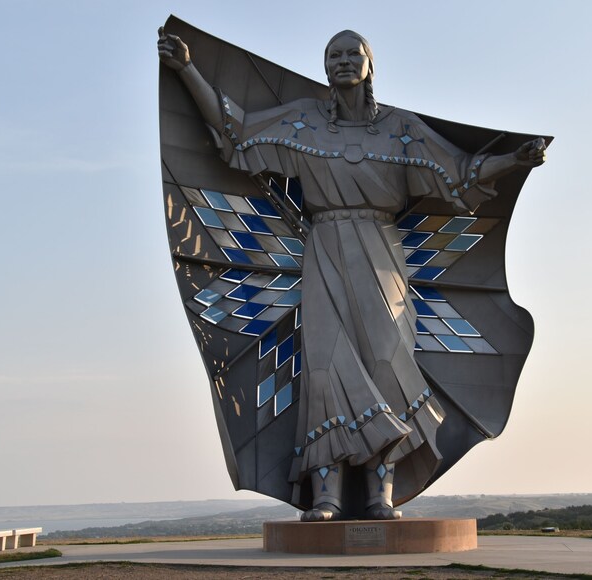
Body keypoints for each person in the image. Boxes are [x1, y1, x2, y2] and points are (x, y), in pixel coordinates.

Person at [159, 28, 546, 521]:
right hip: (323, 249)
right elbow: (237, 134)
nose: (342, 62)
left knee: (386, 365)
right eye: (333, 55)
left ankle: (379, 494)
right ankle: (327, 496)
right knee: (324, 369)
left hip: (382, 253)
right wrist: (187, 69)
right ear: (325, 67)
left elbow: (459, 171)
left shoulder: (400, 130)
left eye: (352, 54)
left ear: (369, 64)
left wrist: (513, 159)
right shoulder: (303, 123)